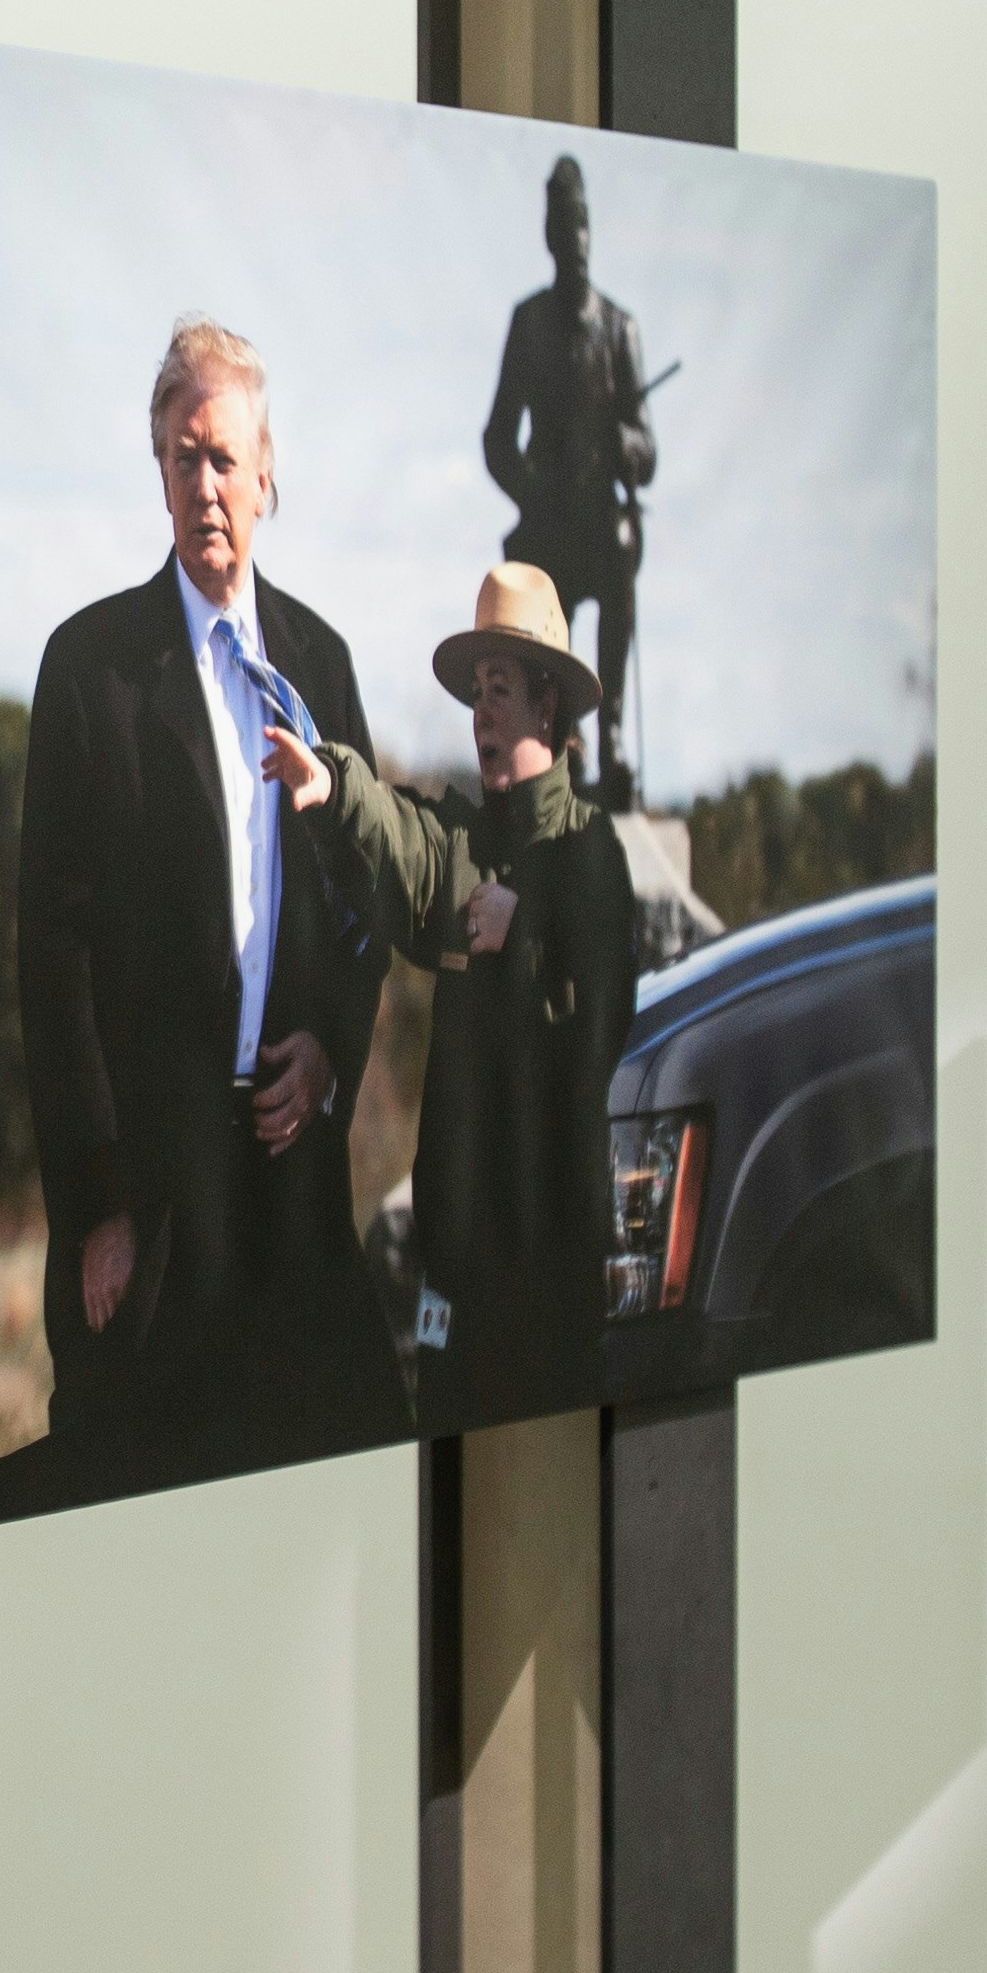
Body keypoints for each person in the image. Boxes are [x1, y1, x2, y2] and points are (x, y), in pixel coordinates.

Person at [0, 319, 402, 1530]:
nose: (207, 485)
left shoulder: (325, 664)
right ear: (159, 470)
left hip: (292, 1186)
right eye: (185, 457)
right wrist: (98, 1209)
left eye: (227, 460)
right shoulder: (90, 670)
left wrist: (333, 1055)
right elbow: (53, 963)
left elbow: (367, 904)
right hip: (152, 1203)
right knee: (139, 1537)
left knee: (327, 1511)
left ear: (267, 481)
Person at [282, 564, 643, 1430]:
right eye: (475, 691)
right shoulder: (457, 842)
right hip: (458, 1284)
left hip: (555, 1282)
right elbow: (398, 838)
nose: (479, 712)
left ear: (547, 705)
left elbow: (605, 1013)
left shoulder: (593, 854)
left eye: (501, 689)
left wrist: (525, 933)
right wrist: (332, 788)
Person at [479, 154, 654, 798]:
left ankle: (608, 733)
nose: (574, 241)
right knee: (532, 578)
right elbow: (497, 438)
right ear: (549, 237)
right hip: (549, 518)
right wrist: (533, 494)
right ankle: (561, 740)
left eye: (582, 226)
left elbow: (648, 450)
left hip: (600, 519)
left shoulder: (619, 330)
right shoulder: (528, 326)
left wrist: (623, 442)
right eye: (562, 227)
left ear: (591, 234)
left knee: (622, 549)